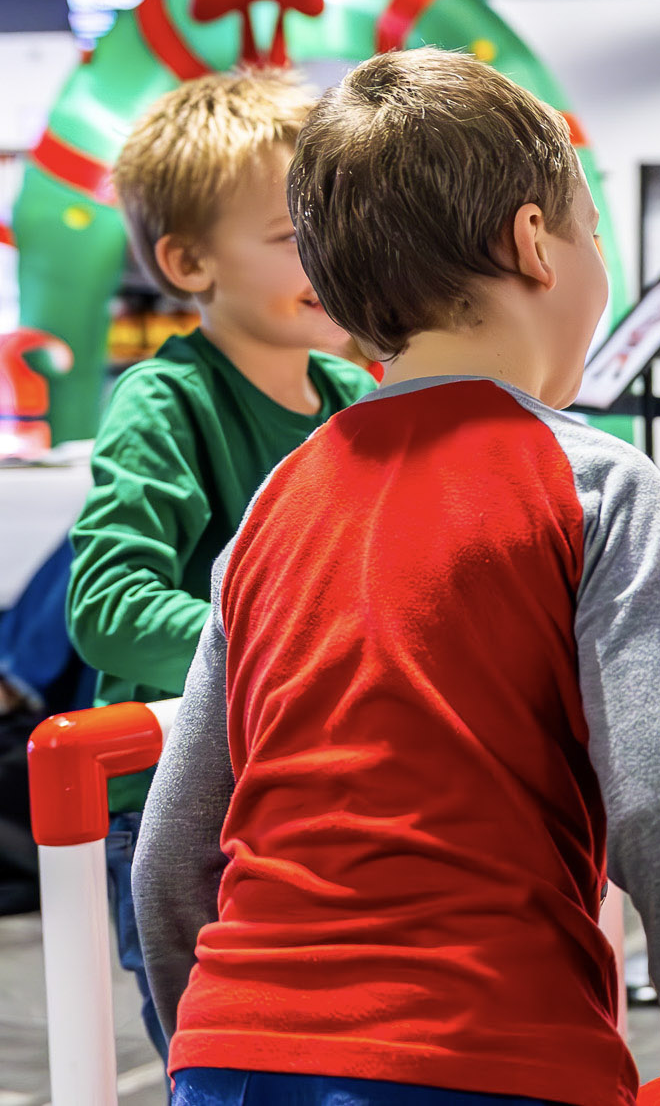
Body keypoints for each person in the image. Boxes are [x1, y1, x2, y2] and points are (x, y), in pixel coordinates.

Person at [133, 48, 660, 1106]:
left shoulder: (272, 506)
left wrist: (211, 1045)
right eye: (592, 231)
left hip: (232, 1052)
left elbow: (173, 855)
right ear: (535, 243)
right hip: (490, 1054)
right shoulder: (598, 485)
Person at [66, 70, 376, 1062]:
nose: (328, 254)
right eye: (292, 236)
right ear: (188, 261)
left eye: (333, 224)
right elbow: (108, 606)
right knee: (226, 1058)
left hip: (312, 790)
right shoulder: (164, 403)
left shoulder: (351, 393)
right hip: (182, 809)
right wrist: (291, 646)